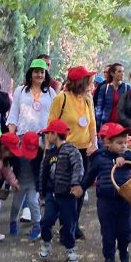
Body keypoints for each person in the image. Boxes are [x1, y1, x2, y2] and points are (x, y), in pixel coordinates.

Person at [81, 123, 131, 262]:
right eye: (119, 143)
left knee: (126, 230)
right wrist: (81, 188)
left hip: (124, 200)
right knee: (108, 232)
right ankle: (109, 261)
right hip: (105, 200)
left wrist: (125, 156)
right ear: (107, 142)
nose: (123, 146)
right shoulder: (99, 158)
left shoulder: (128, 155)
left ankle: (123, 248)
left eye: (125, 142)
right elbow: (90, 176)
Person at [47, 66, 98, 239]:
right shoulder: (61, 98)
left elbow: (92, 125)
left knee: (80, 189)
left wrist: (94, 143)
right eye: (88, 81)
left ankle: (73, 225)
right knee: (65, 190)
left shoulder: (88, 100)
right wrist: (49, 150)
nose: (91, 84)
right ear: (80, 82)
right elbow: (51, 124)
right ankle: (65, 226)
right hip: (65, 151)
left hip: (84, 151)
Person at [7, 58, 55, 235]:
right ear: (30, 73)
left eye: (42, 72)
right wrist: (11, 136)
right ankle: (16, 217)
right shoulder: (21, 90)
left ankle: (36, 219)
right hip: (21, 138)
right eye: (36, 71)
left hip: (42, 140)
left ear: (46, 74)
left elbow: (54, 118)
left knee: (38, 175)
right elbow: (13, 114)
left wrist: (51, 140)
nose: (39, 74)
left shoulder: (51, 93)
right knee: (22, 174)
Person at [37, 119, 85, 262]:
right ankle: (46, 243)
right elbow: (43, 172)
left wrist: (75, 183)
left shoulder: (71, 150)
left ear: (55, 134)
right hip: (52, 194)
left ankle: (70, 249)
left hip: (67, 195)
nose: (46, 137)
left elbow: (78, 166)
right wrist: (42, 191)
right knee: (46, 221)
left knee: (69, 223)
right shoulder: (50, 153)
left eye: (48, 134)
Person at [94, 62, 131, 130]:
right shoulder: (105, 88)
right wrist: (98, 126)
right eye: (119, 71)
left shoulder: (127, 88)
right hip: (107, 123)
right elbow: (99, 108)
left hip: (122, 124)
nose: (122, 73)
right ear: (112, 73)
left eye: (123, 71)